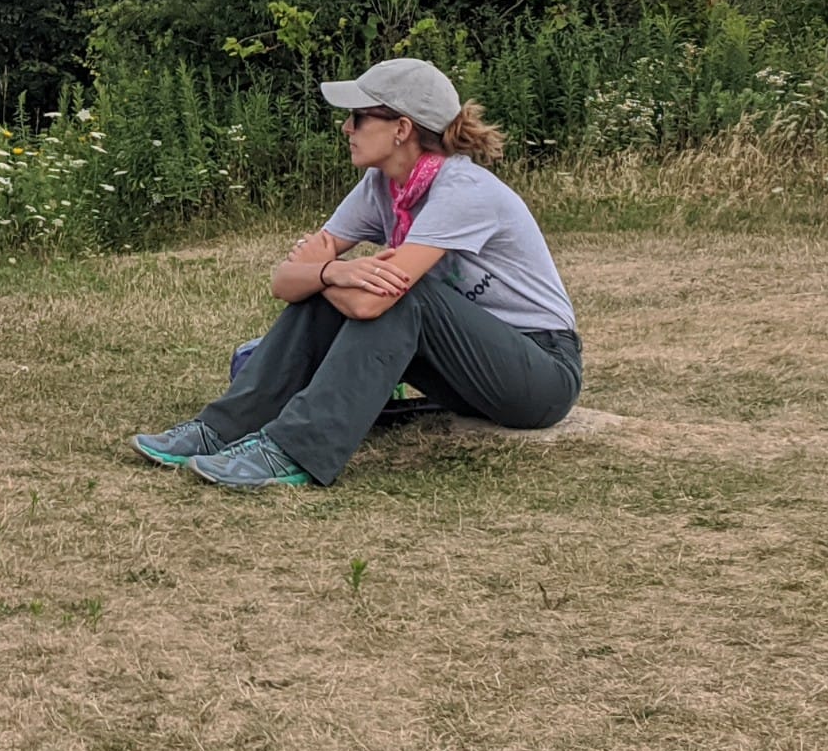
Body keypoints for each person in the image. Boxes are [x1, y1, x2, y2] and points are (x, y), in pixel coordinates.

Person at [131, 57, 582, 489]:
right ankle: (220, 428)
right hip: (462, 369)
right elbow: (284, 282)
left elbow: (371, 300)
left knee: (402, 294)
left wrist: (326, 273)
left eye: (359, 117)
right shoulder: (381, 186)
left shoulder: (463, 191)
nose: (346, 127)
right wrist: (332, 273)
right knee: (344, 289)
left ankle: (294, 450)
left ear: (401, 129)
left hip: (540, 373)